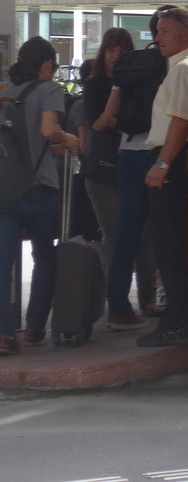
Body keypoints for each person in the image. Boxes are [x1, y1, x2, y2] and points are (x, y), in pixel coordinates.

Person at [0, 36, 81, 356]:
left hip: (5, 190)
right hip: (39, 188)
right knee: (44, 257)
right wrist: (69, 137)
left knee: (2, 263)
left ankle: (5, 335)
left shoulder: (6, 93)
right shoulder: (50, 90)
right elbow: (48, 132)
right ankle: (35, 327)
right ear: (47, 65)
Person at [138, 5, 188, 346]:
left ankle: (176, 321)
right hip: (182, 160)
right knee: (186, 243)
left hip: (173, 160)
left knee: (170, 246)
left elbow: (180, 121)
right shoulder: (187, 66)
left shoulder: (183, 68)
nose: (158, 37)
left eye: (164, 31)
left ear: (185, 33)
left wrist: (163, 165)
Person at [83, 27, 160, 319]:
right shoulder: (97, 84)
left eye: (121, 51)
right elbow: (97, 124)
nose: (115, 57)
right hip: (105, 169)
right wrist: (118, 111)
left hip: (130, 159)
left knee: (142, 235)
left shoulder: (141, 79)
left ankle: (147, 298)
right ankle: (115, 302)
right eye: (110, 50)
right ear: (102, 53)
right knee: (119, 236)